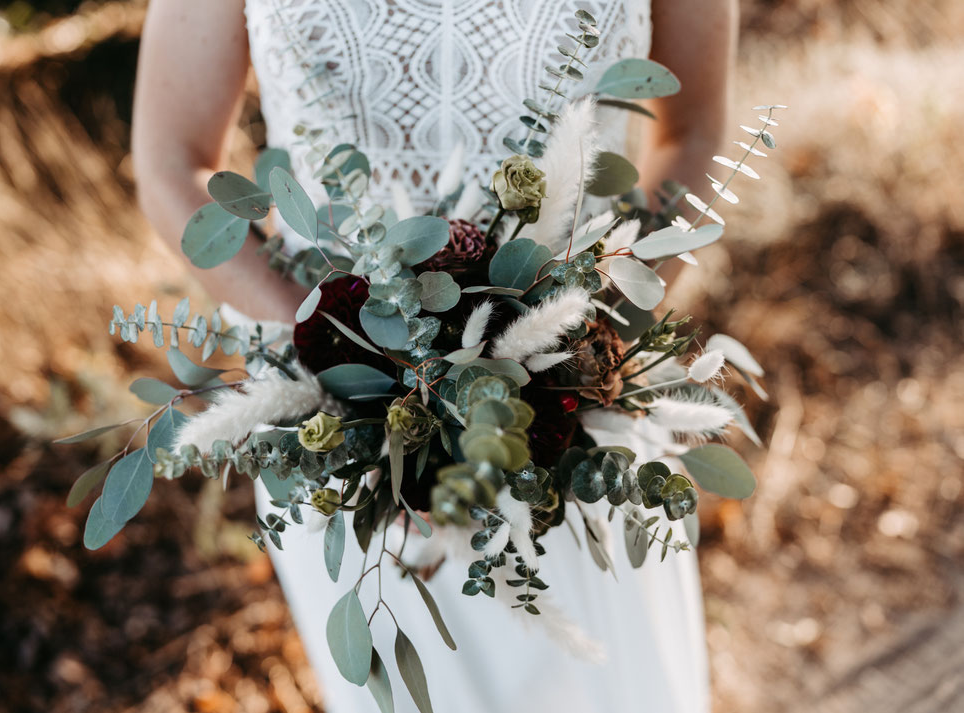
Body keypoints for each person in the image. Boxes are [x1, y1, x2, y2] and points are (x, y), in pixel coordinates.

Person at [132, 2, 736, 711]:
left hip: (575, 429)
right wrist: (335, 365)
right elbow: (172, 161)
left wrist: (591, 331)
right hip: (347, 453)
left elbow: (692, 133)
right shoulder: (339, 411)